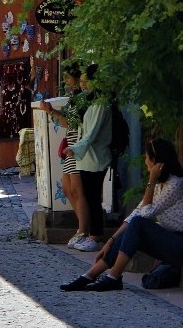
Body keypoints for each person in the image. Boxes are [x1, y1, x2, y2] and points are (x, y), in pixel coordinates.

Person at [60, 138, 183, 292]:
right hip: (177, 240)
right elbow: (136, 213)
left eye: (147, 157)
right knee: (132, 227)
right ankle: (89, 275)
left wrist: (151, 180)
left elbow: (145, 214)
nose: (145, 161)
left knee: (138, 224)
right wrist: (111, 241)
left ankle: (113, 277)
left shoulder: (176, 184)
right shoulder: (159, 184)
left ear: (156, 162)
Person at [62, 64, 112, 252]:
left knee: (93, 197)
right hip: (84, 157)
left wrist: (74, 148)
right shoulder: (87, 100)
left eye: (86, 81)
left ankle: (96, 236)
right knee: (90, 197)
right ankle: (89, 233)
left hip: (96, 157)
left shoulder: (101, 103)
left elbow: (92, 134)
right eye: (81, 81)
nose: (82, 85)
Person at [40, 63, 90, 249]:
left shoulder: (82, 99)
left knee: (77, 190)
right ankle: (82, 227)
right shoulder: (73, 99)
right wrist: (52, 112)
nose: (66, 81)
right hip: (71, 144)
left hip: (78, 145)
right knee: (68, 189)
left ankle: (83, 230)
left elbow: (70, 122)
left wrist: (52, 112)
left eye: (69, 77)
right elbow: (67, 121)